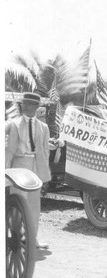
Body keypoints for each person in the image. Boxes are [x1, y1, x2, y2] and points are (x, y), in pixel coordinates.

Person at [5, 92, 50, 249]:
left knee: (34, 206)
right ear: (21, 105)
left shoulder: (43, 127)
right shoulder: (14, 124)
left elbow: (45, 152)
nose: (28, 107)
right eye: (25, 104)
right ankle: (15, 237)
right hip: (19, 165)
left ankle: (32, 239)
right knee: (17, 202)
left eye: (31, 105)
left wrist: (44, 176)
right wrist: (5, 171)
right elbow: (9, 151)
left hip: (35, 168)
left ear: (37, 107)